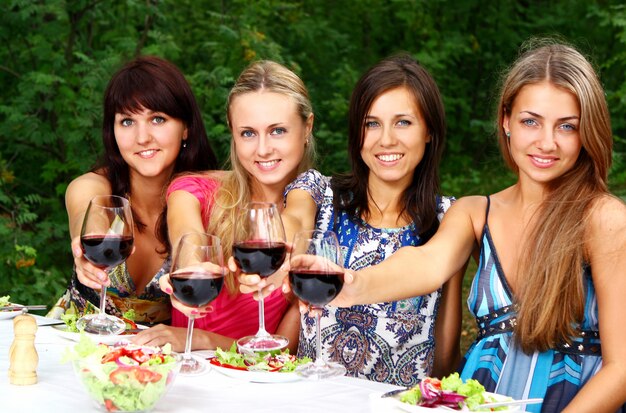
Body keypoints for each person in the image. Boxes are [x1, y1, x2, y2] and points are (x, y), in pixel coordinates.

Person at [318, 41, 626, 412]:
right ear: (506, 121)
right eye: (531, 121)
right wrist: (349, 285)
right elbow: (424, 264)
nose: (547, 142)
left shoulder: (604, 219)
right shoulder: (475, 212)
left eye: (567, 126)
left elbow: (621, 369)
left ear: (586, 131)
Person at [247, 54, 463, 386]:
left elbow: (445, 349)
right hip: (309, 401)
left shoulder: (449, 218)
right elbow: (293, 224)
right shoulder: (319, 193)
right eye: (371, 123)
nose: (386, 139)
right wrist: (279, 256)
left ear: (429, 131)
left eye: (403, 122)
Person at [133, 60, 313, 352]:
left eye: (278, 130)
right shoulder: (193, 189)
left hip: (259, 388)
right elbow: (187, 238)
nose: (263, 148)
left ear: (307, 127)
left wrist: (202, 340)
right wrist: (191, 268)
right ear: (232, 131)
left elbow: (282, 353)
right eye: (248, 133)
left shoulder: (317, 215)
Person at [49, 56, 218, 325]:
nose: (142, 137)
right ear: (112, 131)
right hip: (69, 346)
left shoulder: (209, 199)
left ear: (185, 128)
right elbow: (87, 212)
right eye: (127, 121)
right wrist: (88, 248)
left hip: (154, 362)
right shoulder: (93, 186)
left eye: (158, 119)